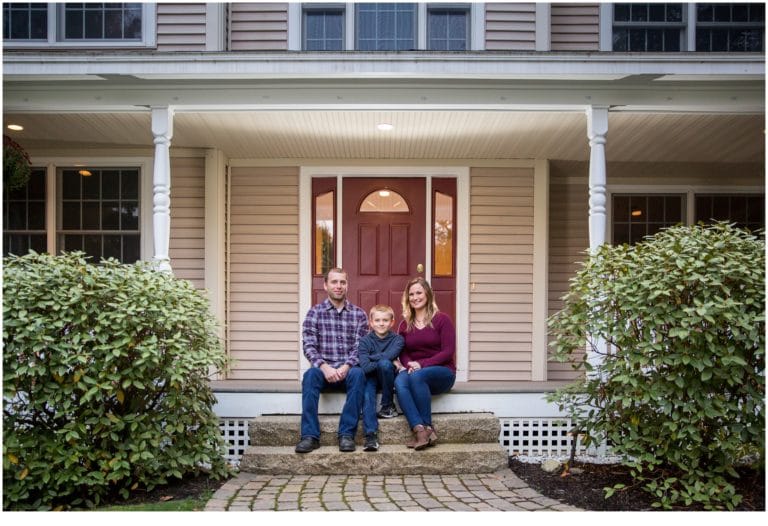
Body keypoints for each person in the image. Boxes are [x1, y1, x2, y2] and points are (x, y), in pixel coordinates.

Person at [295, 268, 369, 454]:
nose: (338, 286)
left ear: (347, 285)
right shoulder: (315, 313)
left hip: (348, 371)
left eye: (342, 282)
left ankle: (346, 434)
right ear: (325, 285)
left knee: (359, 374)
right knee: (310, 375)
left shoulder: (359, 314)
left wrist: (346, 366)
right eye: (334, 282)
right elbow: (309, 345)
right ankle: (310, 436)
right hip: (323, 371)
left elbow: (361, 347)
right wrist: (324, 366)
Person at [395, 277, 456, 451]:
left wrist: (421, 364)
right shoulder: (404, 324)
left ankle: (428, 426)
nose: (415, 297)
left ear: (428, 294)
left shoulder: (442, 319)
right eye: (411, 294)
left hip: (442, 372)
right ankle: (420, 430)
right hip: (416, 373)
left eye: (419, 293)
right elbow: (403, 352)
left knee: (417, 376)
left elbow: (448, 351)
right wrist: (409, 365)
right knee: (399, 382)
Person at [358, 304, 405, 452]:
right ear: (371, 322)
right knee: (367, 396)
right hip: (371, 377)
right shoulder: (365, 341)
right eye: (377, 320)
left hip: (388, 377)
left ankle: (387, 405)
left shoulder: (398, 340)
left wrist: (374, 358)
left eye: (385, 320)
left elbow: (375, 361)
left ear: (392, 322)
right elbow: (365, 367)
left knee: (385, 364)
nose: (381, 323)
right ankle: (370, 436)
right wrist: (387, 359)